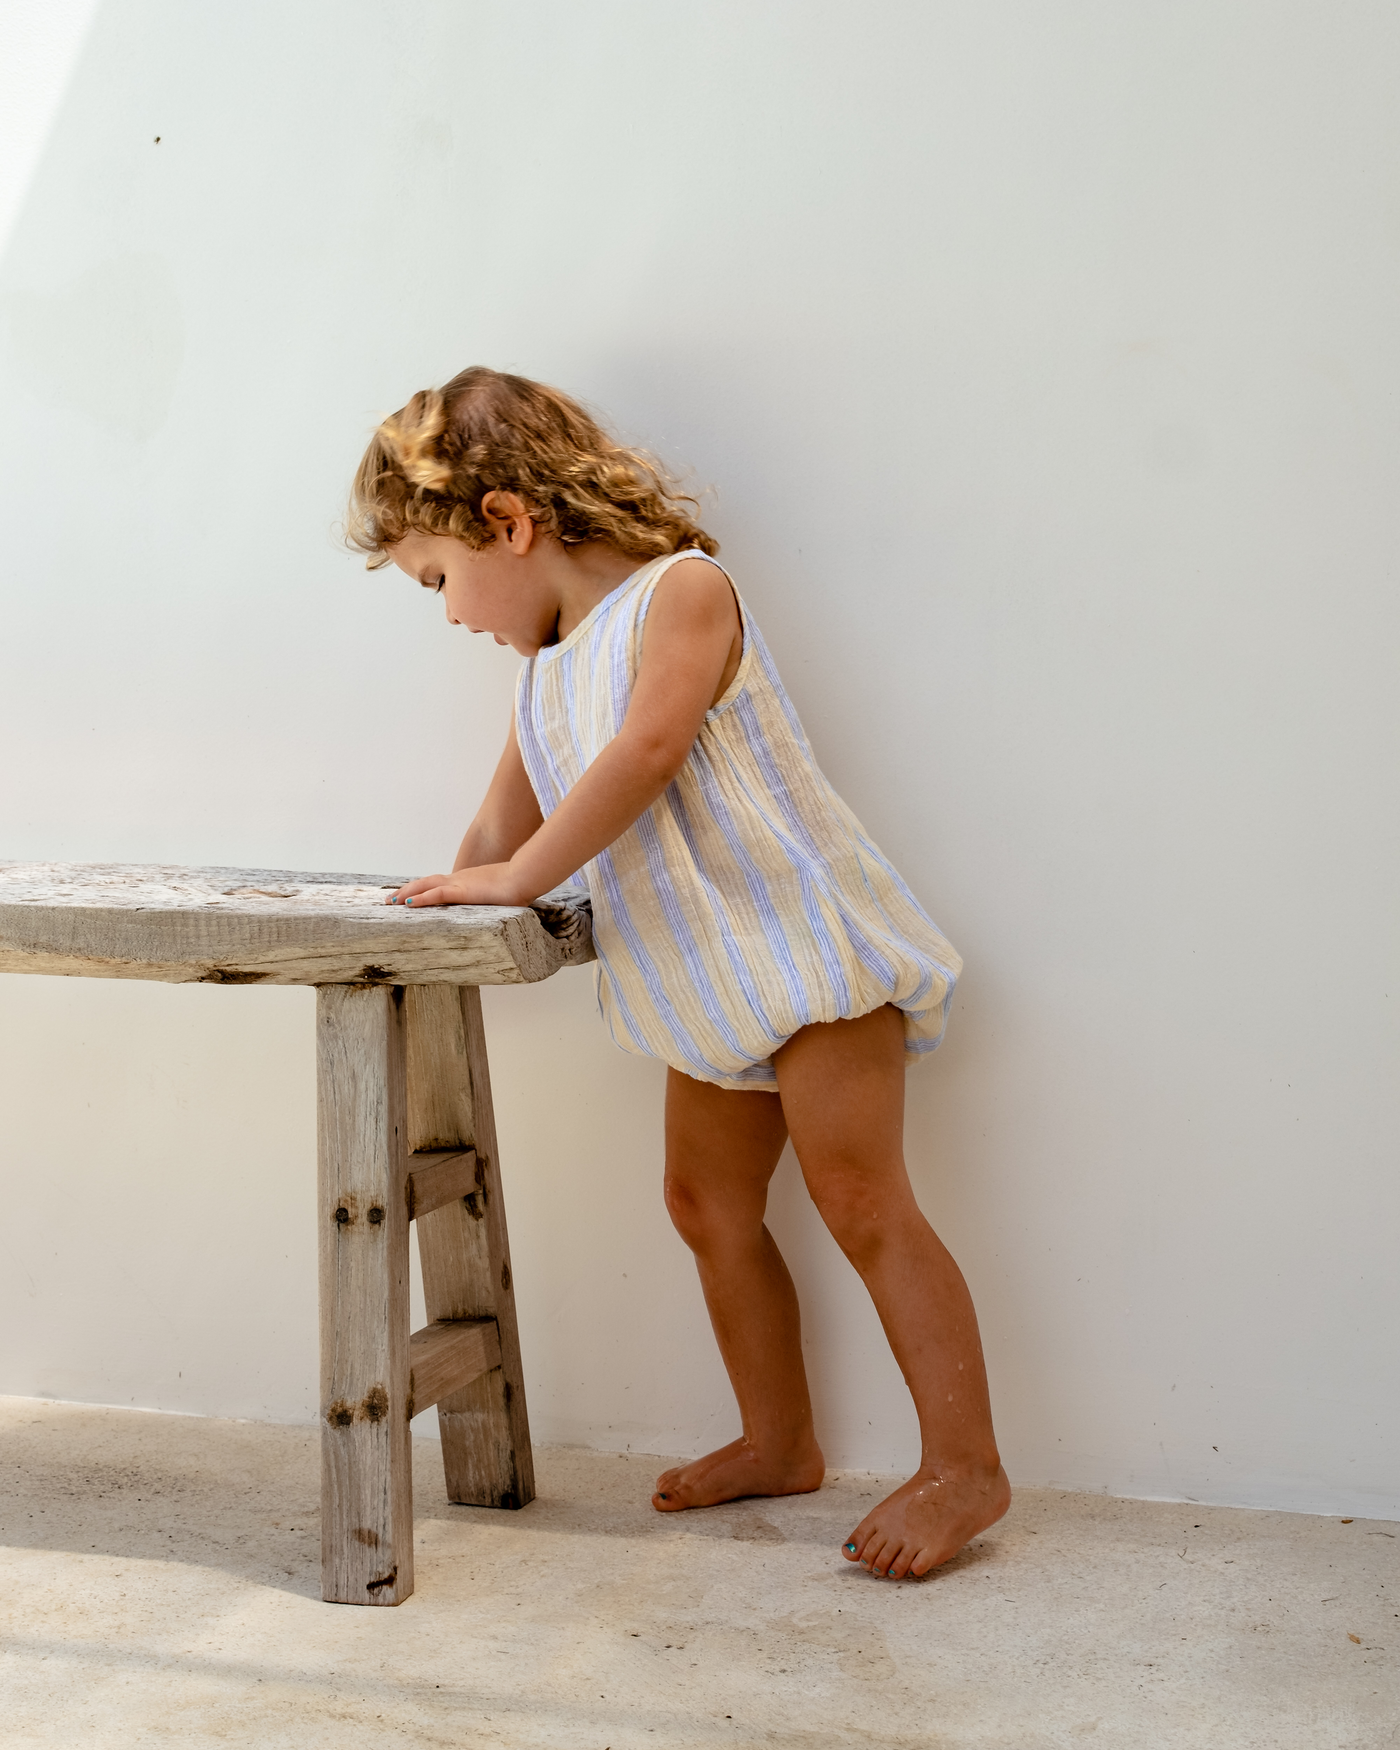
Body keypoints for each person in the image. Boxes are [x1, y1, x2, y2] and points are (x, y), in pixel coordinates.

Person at [347, 367, 1010, 1579]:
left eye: (437, 579)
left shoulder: (682, 593)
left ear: (507, 520)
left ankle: (964, 1464)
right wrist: (447, 899)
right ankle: (779, 1438)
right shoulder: (542, 669)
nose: (444, 613)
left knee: (860, 1199)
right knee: (704, 1205)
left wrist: (517, 879)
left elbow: (649, 748)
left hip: (805, 951)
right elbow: (502, 820)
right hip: (704, 979)